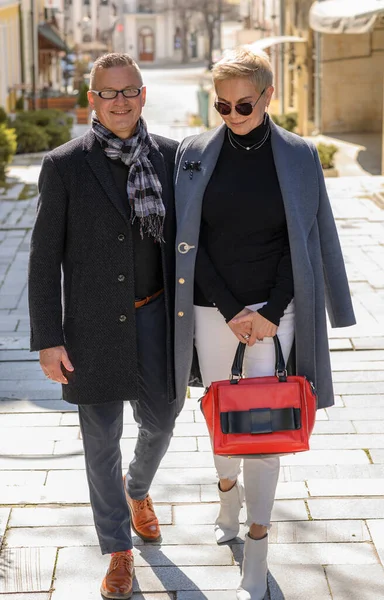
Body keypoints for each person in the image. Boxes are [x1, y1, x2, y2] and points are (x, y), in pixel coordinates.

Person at [174, 47, 355, 600]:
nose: (231, 115)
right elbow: (188, 241)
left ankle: (258, 543)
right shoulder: (193, 152)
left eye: (243, 104)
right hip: (213, 311)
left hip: (280, 311)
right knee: (225, 424)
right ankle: (226, 490)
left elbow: (302, 238)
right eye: (222, 105)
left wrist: (270, 313)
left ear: (269, 97)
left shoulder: (299, 156)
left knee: (267, 427)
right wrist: (231, 311)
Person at [29, 53, 179, 600]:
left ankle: (137, 490)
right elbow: (43, 260)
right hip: (90, 329)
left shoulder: (170, 157)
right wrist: (48, 338)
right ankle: (117, 549)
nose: (120, 102)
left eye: (129, 91)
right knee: (101, 444)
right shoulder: (65, 164)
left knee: (163, 420)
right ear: (92, 100)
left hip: (159, 315)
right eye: (107, 93)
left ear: (144, 96)